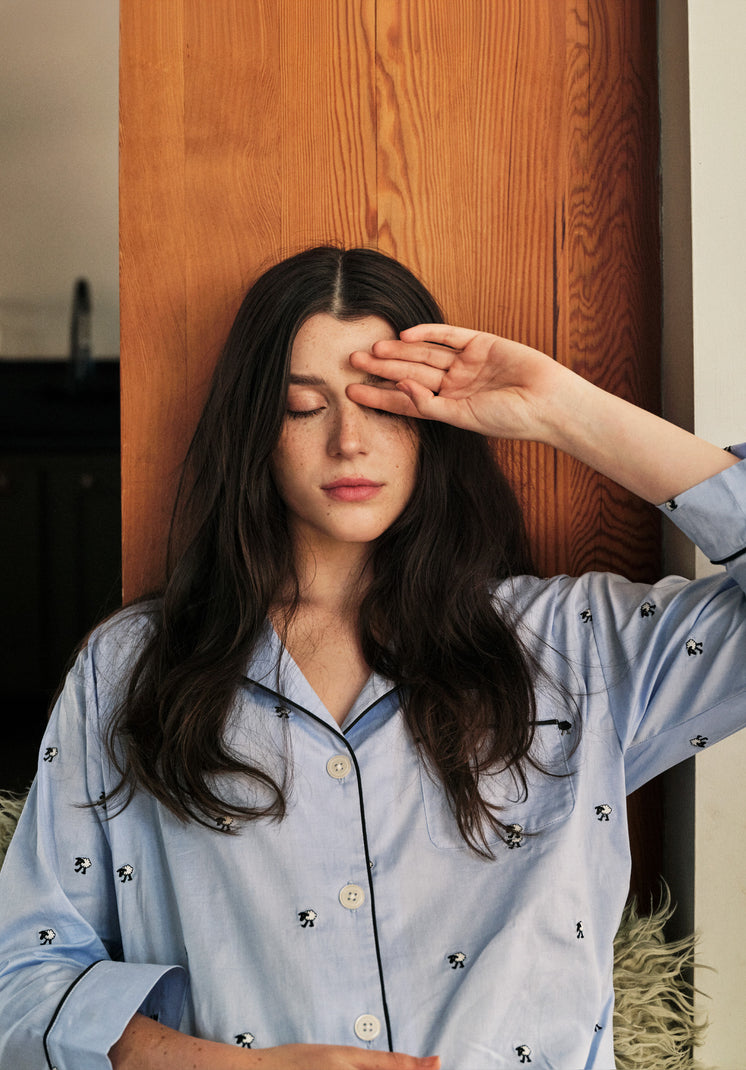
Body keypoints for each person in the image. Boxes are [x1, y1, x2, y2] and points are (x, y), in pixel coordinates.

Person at [0, 245, 744, 1070]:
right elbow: (22, 980)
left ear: (436, 425)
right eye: (301, 406)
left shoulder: (578, 647)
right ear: (256, 429)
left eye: (384, 404)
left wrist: (565, 410)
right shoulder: (131, 667)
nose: (349, 442)